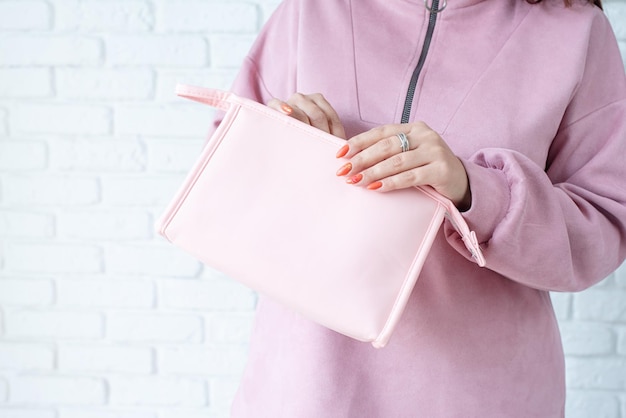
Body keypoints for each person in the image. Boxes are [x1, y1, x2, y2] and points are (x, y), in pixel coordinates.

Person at [211, 0, 626, 416]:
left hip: (479, 395)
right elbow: (222, 174)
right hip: (305, 386)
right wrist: (285, 144)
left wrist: (473, 189)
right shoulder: (312, 10)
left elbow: (605, 224)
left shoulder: (575, 31)